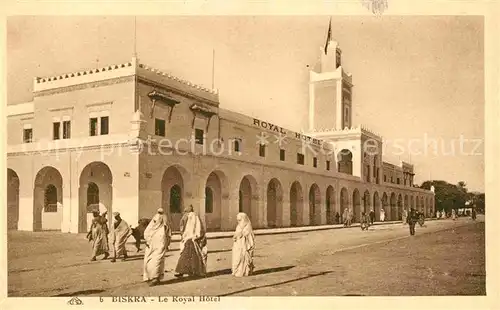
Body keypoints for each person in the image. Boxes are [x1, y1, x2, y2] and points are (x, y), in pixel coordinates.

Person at [174, 205, 208, 278]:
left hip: (193, 240)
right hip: (188, 239)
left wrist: (196, 237)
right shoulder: (190, 217)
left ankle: (193, 272)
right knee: (185, 256)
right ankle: (182, 271)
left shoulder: (194, 217)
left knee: (193, 256)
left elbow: (198, 229)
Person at [143, 208, 171, 286]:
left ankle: (155, 278)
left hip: (154, 244)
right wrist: (167, 243)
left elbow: (146, 233)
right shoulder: (163, 223)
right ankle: (156, 277)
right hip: (159, 243)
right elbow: (168, 234)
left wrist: (147, 240)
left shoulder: (154, 223)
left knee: (154, 260)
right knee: (158, 260)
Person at [232, 212, 255, 277]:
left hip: (244, 246)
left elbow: (249, 237)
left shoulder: (247, 227)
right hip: (238, 245)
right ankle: (237, 271)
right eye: (238, 220)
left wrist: (241, 234)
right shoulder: (238, 226)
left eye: (240, 220)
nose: (239, 221)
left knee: (243, 259)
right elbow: (237, 233)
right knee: (237, 258)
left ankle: (244, 272)